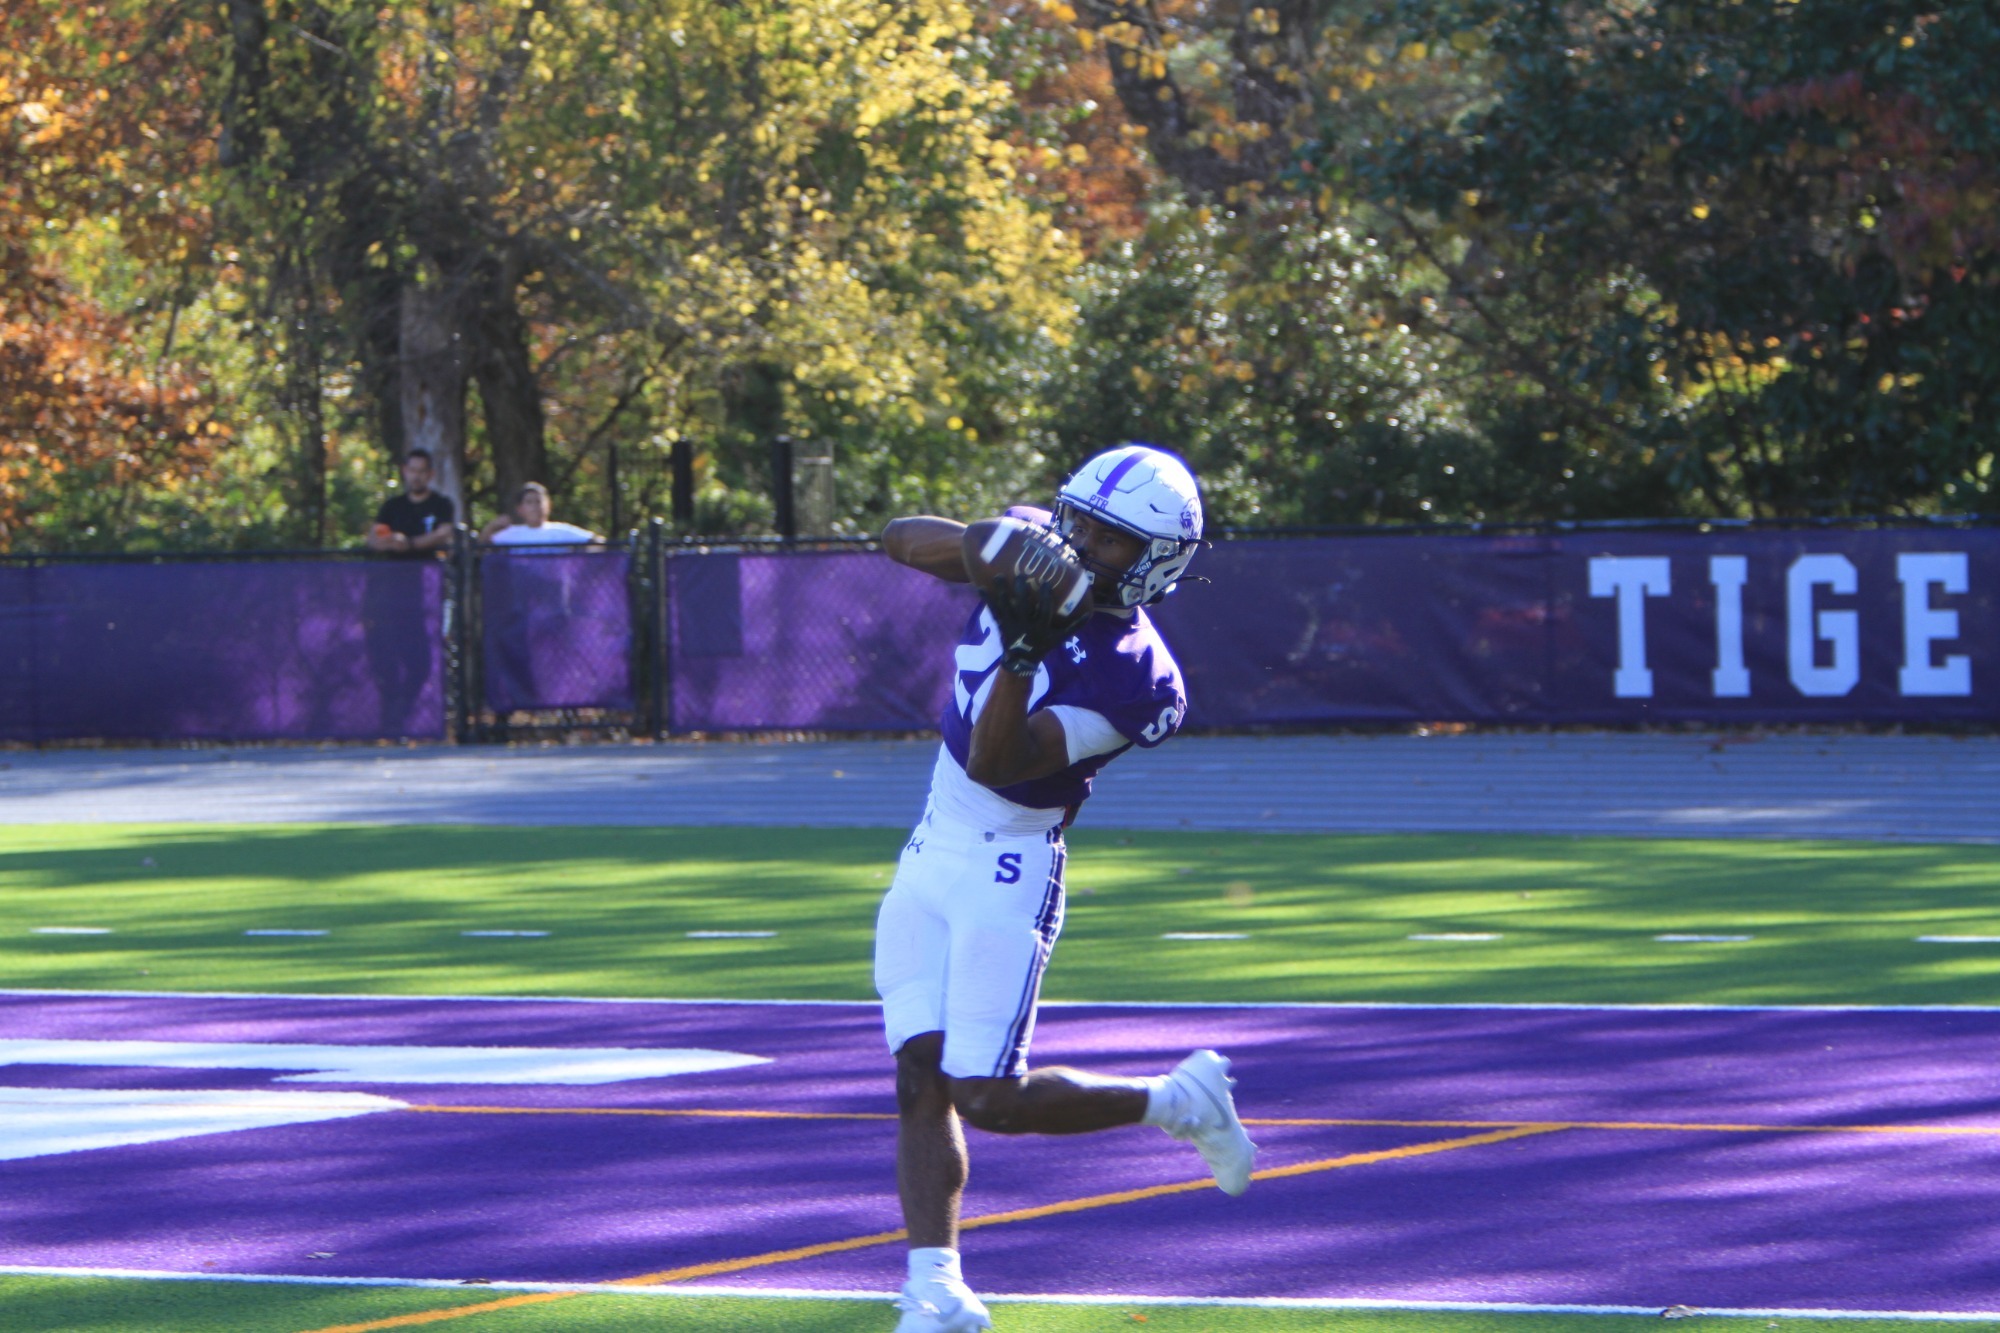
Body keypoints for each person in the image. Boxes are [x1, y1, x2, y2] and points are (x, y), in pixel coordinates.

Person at [874, 444, 1254, 1333]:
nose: (1079, 542)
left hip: (1009, 863)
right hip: (930, 843)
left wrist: (1023, 640)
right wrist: (991, 546)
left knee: (988, 1097)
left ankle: (1179, 1100)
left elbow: (999, 761)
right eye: (1074, 519)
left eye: (1107, 537)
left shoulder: (1143, 680)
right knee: (916, 1075)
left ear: (1156, 560)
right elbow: (895, 537)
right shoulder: (1039, 546)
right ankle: (935, 1287)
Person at [367, 449, 456, 553]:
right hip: (395, 566)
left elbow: (444, 534)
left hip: (430, 566)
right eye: (412, 470)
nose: (416, 476)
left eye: (422, 471)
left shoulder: (442, 504)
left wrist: (410, 543)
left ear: (431, 474)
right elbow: (374, 538)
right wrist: (393, 540)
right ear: (404, 471)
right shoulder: (391, 506)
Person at [479, 481, 601, 547]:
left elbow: (598, 542)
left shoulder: (561, 532)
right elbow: (482, 546)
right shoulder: (512, 534)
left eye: (539, 501)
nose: (535, 507)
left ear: (548, 506)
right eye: (529, 502)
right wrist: (492, 526)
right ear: (520, 509)